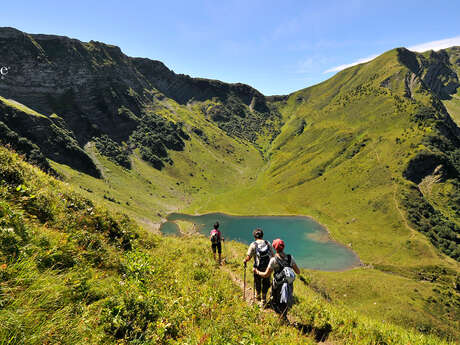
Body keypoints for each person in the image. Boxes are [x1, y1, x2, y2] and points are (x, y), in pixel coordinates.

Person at [253, 238, 300, 319]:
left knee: (276, 302)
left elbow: (265, 275)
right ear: (283, 247)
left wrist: (256, 271)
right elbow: (298, 272)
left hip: (277, 285)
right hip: (289, 284)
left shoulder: (273, 260)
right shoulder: (290, 258)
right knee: (284, 302)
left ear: (275, 248)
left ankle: (281, 319)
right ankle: (284, 317)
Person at [243, 228, 274, 307]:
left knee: (257, 281)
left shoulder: (253, 244)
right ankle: (263, 299)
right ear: (262, 235)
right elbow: (273, 255)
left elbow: (249, 257)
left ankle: (258, 295)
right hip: (267, 267)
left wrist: (245, 260)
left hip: (257, 267)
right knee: (266, 282)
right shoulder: (267, 243)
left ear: (254, 236)